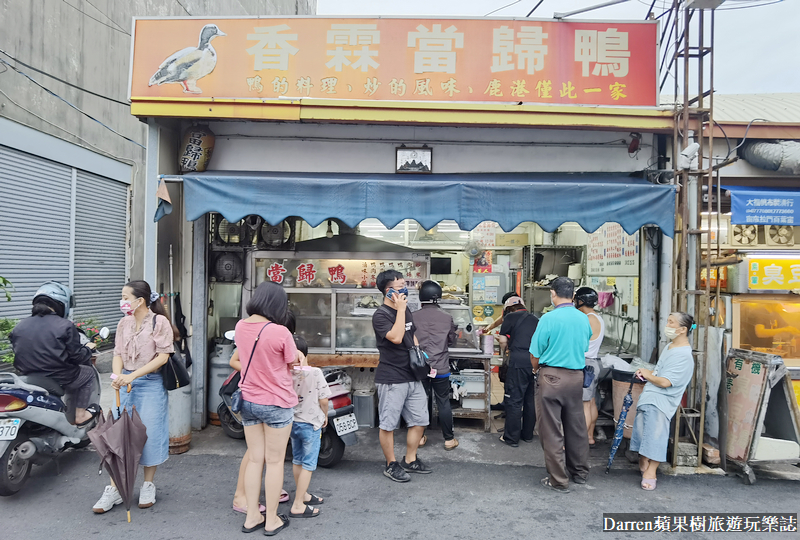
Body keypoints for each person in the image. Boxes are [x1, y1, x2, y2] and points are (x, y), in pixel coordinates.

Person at [93, 280, 176, 513]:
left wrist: (133, 377)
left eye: (125, 297)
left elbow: (163, 357)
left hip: (150, 383)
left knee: (148, 433)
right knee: (119, 435)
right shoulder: (123, 323)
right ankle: (115, 488)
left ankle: (148, 484)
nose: (122, 301)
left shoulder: (160, 322)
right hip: (124, 382)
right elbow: (118, 353)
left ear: (139, 300)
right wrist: (118, 376)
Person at [235, 281, 298, 535]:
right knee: (274, 462)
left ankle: (252, 516)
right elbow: (292, 364)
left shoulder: (240, 326)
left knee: (254, 459)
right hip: (276, 402)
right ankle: (271, 519)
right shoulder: (281, 332)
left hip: (248, 400)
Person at [529, 277, 593, 493]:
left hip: (551, 377)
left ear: (552, 294)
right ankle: (580, 473)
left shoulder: (548, 318)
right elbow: (584, 346)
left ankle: (558, 479)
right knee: (576, 427)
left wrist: (537, 370)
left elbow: (535, 353)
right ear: (573, 296)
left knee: (551, 430)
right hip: (575, 377)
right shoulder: (584, 318)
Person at [11, 281, 100, 426]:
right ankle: (81, 415)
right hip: (59, 377)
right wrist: (88, 349)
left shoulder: (20, 325)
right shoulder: (65, 326)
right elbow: (77, 356)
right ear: (61, 304)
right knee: (88, 373)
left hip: (27, 376)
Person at [372, 269, 431, 482]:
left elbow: (410, 334)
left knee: (420, 419)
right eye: (400, 287)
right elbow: (396, 337)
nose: (405, 290)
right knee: (388, 424)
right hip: (392, 376)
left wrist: (420, 356)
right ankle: (391, 464)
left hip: (412, 374)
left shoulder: (405, 311)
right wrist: (400, 309)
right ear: (388, 292)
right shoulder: (380, 315)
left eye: (405, 285)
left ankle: (410, 458)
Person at [631, 312, 695, 491]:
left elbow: (666, 382)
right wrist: (647, 374)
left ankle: (651, 471)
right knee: (642, 431)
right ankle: (644, 460)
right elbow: (658, 374)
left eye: (671, 322)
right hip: (650, 396)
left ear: (683, 329)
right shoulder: (670, 347)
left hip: (662, 400)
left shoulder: (683, 355)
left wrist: (647, 374)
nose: (667, 325)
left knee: (656, 436)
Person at [412, 281, 459, 451]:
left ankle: (420, 437)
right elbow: (451, 341)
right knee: (443, 402)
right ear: (438, 296)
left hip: (419, 367)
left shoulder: (412, 316)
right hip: (440, 367)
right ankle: (449, 439)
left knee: (419, 402)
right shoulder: (447, 317)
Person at [287, 335, 331, 519]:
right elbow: (324, 399)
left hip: (291, 423)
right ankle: (298, 504)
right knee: (308, 463)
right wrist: (325, 415)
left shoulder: (284, 373)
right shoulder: (314, 373)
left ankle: (302, 494)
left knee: (297, 459)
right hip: (311, 423)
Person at [497, 296, 539, 447]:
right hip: (534, 360)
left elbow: (502, 340)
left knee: (514, 399)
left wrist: (506, 351)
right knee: (530, 399)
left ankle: (511, 438)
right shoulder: (535, 319)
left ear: (508, 308)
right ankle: (527, 435)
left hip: (518, 360)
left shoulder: (510, 318)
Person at [574, 287, 605, 447]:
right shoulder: (597, 317)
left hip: (585, 364)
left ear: (581, 301)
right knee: (591, 402)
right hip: (593, 364)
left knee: (584, 404)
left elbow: (579, 343)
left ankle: (579, 442)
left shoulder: (588, 319)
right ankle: (589, 436)